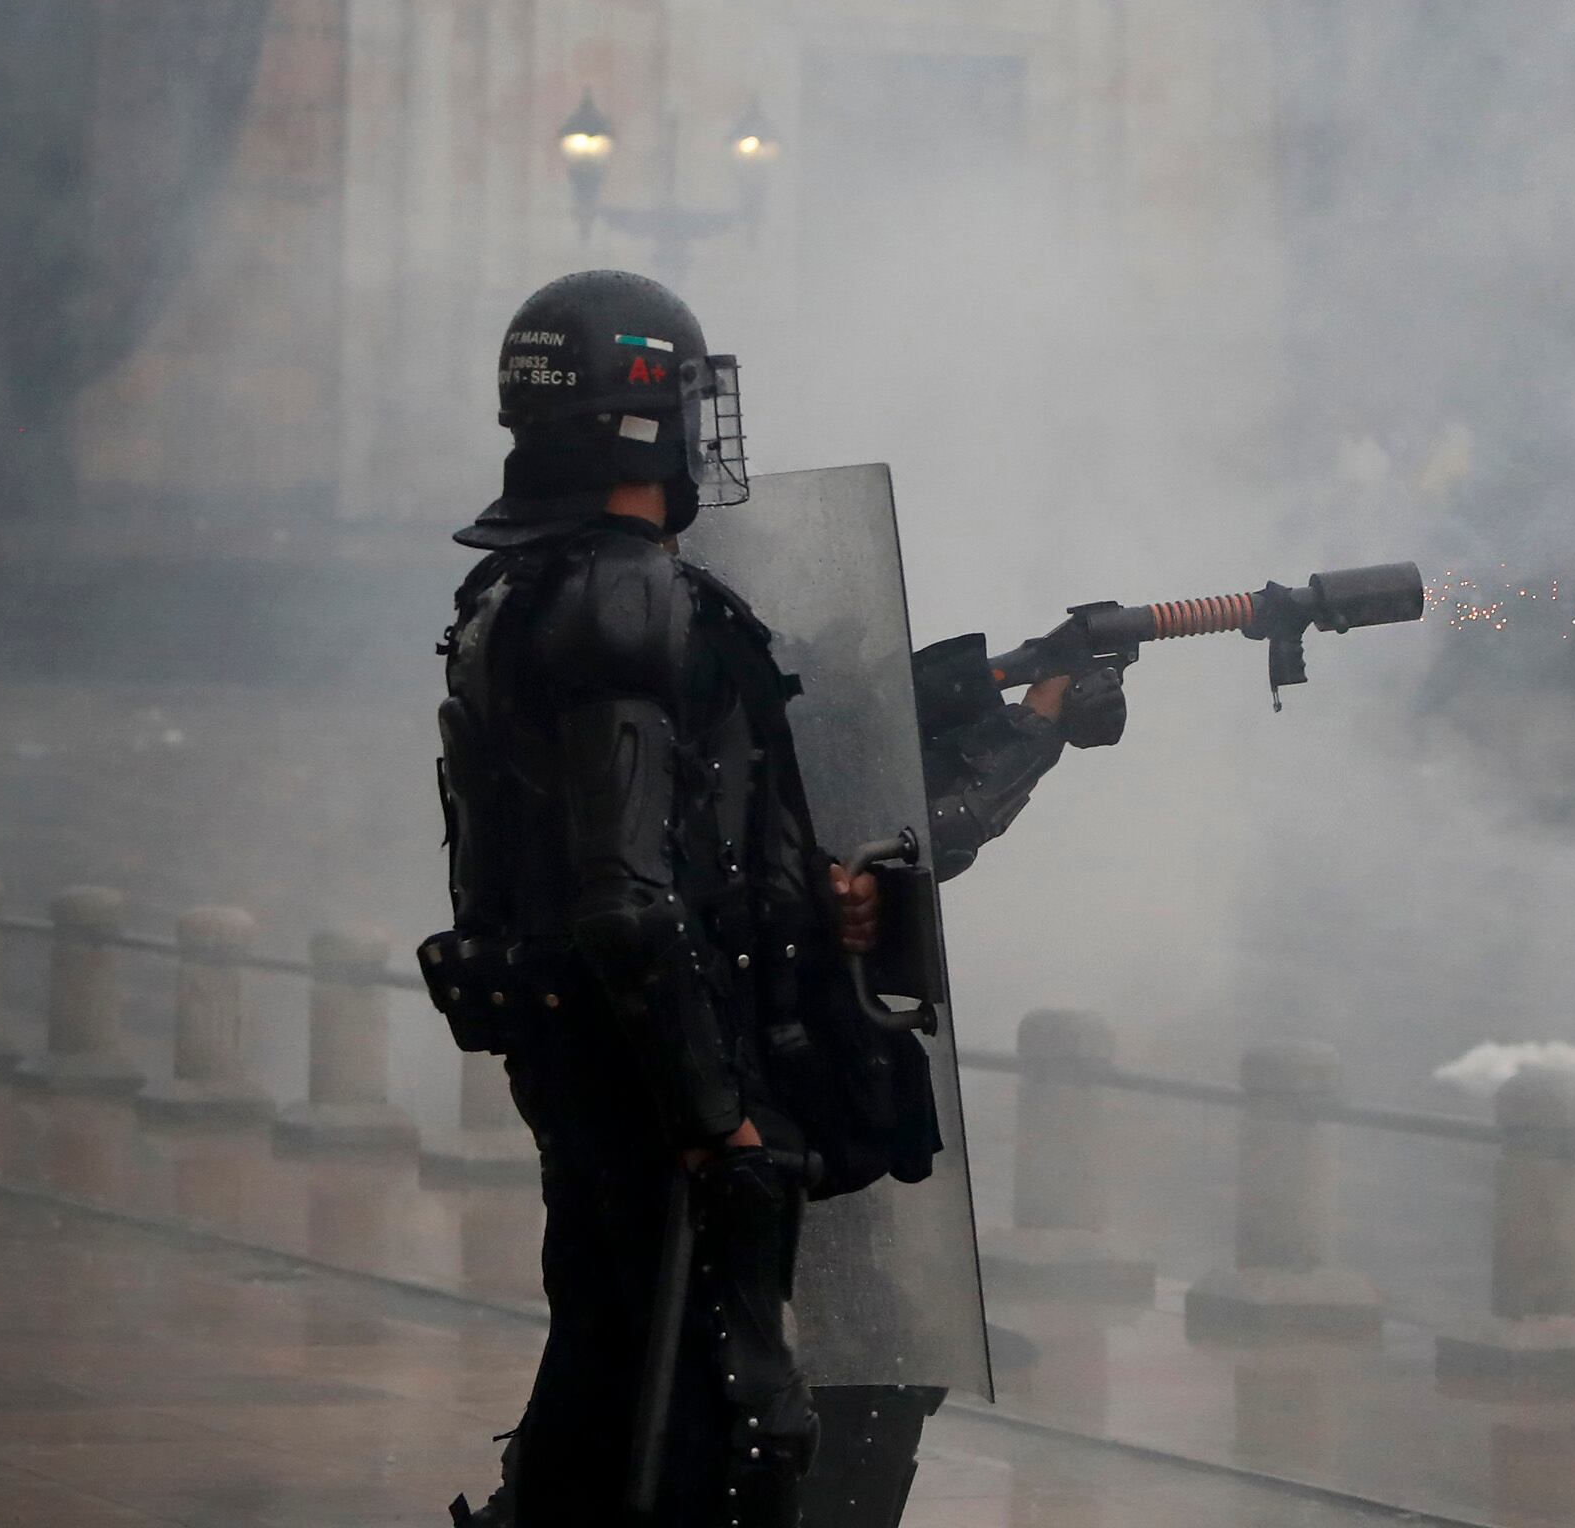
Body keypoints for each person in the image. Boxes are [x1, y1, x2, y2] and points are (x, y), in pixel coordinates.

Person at [429, 271, 1117, 1527]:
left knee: (610, 1385)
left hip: (605, 1087)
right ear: (650, 419)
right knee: (720, 1438)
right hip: (683, 1104)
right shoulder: (631, 595)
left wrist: (826, 900)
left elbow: (697, 857)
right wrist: (721, 1129)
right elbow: (629, 902)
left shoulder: (519, 591)